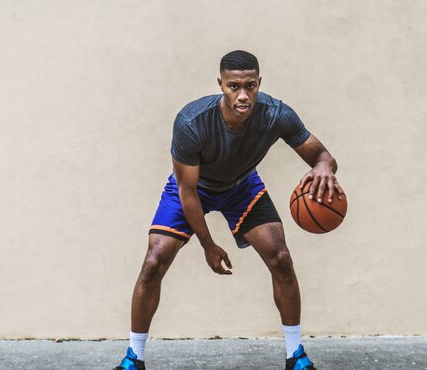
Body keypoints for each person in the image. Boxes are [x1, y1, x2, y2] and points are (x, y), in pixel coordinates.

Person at [114, 50, 344, 370]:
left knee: (281, 257)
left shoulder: (277, 114)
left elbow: (321, 155)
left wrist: (324, 167)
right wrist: (208, 245)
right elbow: (188, 190)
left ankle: (297, 356)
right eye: (233, 86)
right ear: (220, 84)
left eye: (250, 86)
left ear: (259, 83)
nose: (243, 95)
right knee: (154, 261)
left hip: (242, 187)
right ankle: (132, 358)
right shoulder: (191, 122)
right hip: (194, 189)